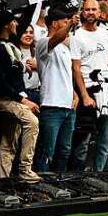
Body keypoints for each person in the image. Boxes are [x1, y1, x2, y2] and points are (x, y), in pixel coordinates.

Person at [70, 0, 108, 171]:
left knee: (106, 137)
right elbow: (76, 69)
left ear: (99, 13)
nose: (90, 13)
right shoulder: (76, 36)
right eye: (87, 9)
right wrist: (84, 95)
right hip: (88, 89)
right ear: (82, 12)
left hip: (107, 90)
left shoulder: (105, 34)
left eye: (93, 9)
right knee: (84, 139)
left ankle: (99, 174)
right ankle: (78, 175)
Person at [0, 11, 40, 183]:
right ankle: (25, 169)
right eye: (14, 22)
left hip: (16, 97)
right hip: (5, 100)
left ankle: (3, 177)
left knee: (9, 139)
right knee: (32, 122)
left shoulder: (11, 46)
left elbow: (26, 19)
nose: (17, 25)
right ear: (7, 25)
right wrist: (23, 100)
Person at [33, 9, 78, 173]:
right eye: (64, 22)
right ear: (54, 23)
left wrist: (74, 93)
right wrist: (71, 25)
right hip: (51, 105)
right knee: (47, 151)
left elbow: (66, 74)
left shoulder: (66, 48)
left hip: (68, 106)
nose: (67, 24)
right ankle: (42, 184)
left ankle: (59, 182)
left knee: (64, 151)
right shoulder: (43, 43)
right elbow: (56, 38)